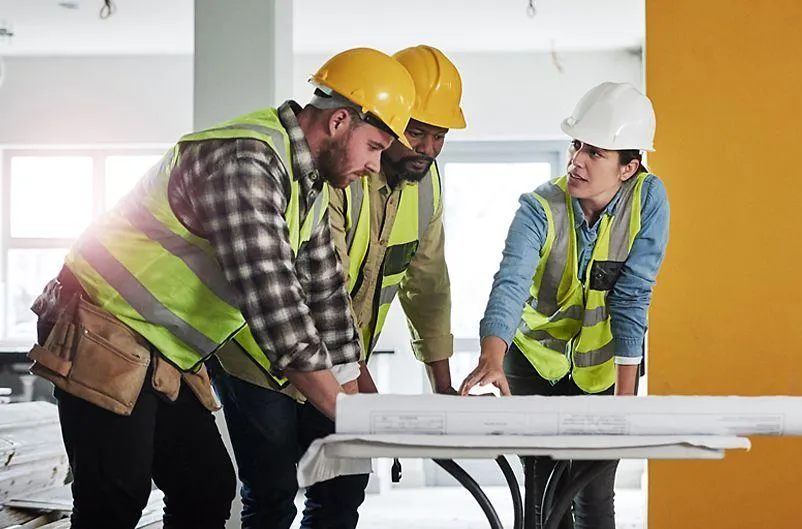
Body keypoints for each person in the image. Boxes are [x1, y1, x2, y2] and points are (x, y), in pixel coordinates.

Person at [26, 47, 416, 529]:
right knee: (116, 495)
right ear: (339, 121)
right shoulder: (248, 161)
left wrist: (356, 386)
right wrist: (349, 414)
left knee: (205, 488)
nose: (377, 166)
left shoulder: (307, 182)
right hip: (100, 323)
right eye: (375, 147)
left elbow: (326, 296)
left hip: (163, 346)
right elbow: (277, 310)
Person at [211, 44, 467, 529]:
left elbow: (428, 285)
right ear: (385, 121)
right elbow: (312, 295)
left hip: (339, 359)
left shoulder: (426, 186)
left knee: (343, 490)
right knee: (273, 492)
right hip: (261, 358)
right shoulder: (334, 170)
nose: (428, 149)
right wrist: (361, 401)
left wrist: (442, 386)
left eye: (440, 136)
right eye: (416, 132)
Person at [459, 82, 670, 529]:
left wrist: (625, 404)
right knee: (543, 497)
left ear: (629, 167)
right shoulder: (539, 207)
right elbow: (511, 284)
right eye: (576, 145)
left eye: (595, 152)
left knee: (592, 493)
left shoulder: (649, 200)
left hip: (603, 371)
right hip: (531, 364)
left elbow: (633, 296)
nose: (576, 160)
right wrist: (492, 358)